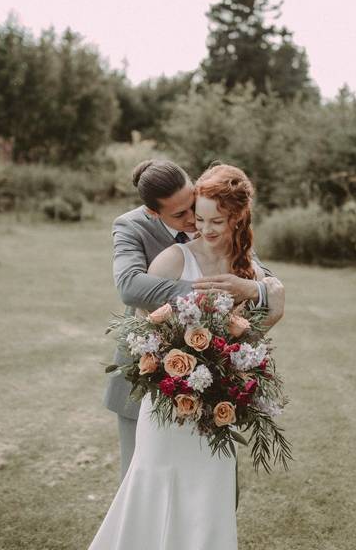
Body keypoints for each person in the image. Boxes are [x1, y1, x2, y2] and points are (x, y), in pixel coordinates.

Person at [91, 163, 284, 550]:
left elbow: (265, 286)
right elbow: (131, 287)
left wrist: (256, 290)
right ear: (154, 213)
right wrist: (213, 296)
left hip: (214, 391)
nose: (196, 224)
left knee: (214, 498)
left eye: (194, 207)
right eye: (183, 215)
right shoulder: (135, 229)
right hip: (152, 380)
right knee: (145, 496)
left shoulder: (217, 223)